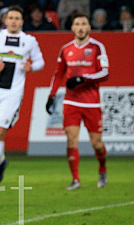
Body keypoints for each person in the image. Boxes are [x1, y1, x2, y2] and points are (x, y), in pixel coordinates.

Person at [0, 5, 44, 189]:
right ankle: (2, 162)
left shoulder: (29, 41)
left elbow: (40, 61)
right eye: (10, 18)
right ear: (5, 20)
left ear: (22, 22)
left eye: (17, 18)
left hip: (13, 93)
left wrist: (32, 67)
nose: (13, 21)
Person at [46, 13, 110, 190]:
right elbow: (58, 74)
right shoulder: (66, 49)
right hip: (71, 102)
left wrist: (83, 79)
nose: (80, 27)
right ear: (72, 28)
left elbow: (105, 73)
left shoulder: (97, 47)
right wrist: (51, 95)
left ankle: (102, 169)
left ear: (89, 27)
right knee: (71, 140)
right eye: (77, 24)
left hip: (91, 102)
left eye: (84, 23)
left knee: (97, 144)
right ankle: (75, 180)